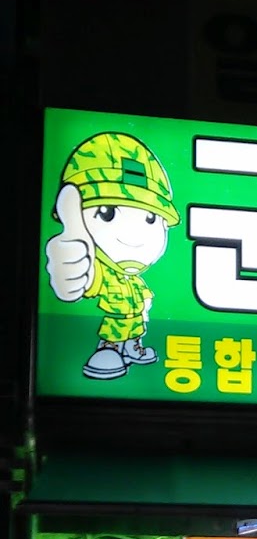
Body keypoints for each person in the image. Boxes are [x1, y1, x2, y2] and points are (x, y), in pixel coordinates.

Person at [45, 130, 180, 379]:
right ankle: (109, 349)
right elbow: (87, 278)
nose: (134, 236)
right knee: (113, 334)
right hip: (114, 322)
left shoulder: (136, 281)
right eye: (107, 213)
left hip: (136, 320)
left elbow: (145, 297)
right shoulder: (104, 272)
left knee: (135, 331)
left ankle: (132, 347)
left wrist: (145, 307)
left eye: (151, 218)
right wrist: (71, 270)